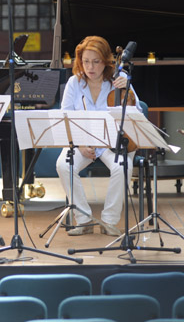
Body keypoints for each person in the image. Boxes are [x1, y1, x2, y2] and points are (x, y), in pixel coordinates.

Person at [55, 35, 141, 236]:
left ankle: (109, 221)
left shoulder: (118, 81)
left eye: (96, 62)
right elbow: (65, 116)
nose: (90, 67)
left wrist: (125, 91)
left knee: (123, 166)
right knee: (63, 165)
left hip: (112, 143)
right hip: (83, 143)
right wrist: (80, 144)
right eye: (85, 62)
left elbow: (136, 113)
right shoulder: (73, 83)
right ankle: (83, 219)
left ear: (106, 61)